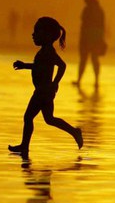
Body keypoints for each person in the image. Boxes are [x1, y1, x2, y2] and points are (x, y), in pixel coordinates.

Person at [8, 17, 83, 159]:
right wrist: (25, 66)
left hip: (43, 92)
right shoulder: (44, 51)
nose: (33, 35)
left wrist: (55, 82)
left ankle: (25, 146)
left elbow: (62, 65)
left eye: (37, 32)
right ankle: (74, 132)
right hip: (43, 91)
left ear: (47, 35)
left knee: (28, 116)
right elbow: (39, 66)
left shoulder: (48, 51)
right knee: (49, 119)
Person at [74, 0, 105, 87]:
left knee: (91, 59)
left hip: (92, 38)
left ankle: (94, 81)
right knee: (88, 59)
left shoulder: (95, 10)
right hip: (88, 38)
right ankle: (88, 81)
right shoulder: (89, 9)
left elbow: (100, 26)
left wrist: (100, 39)